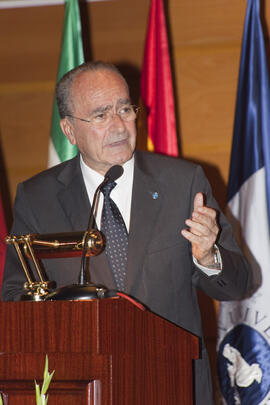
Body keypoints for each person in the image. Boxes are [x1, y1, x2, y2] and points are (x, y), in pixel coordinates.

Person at [1, 61, 252, 404]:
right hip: (82, 389)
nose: (119, 125)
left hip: (173, 385)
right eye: (101, 115)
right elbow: (15, 297)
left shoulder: (183, 183)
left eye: (124, 109)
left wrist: (210, 256)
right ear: (70, 130)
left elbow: (238, 284)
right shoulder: (37, 198)